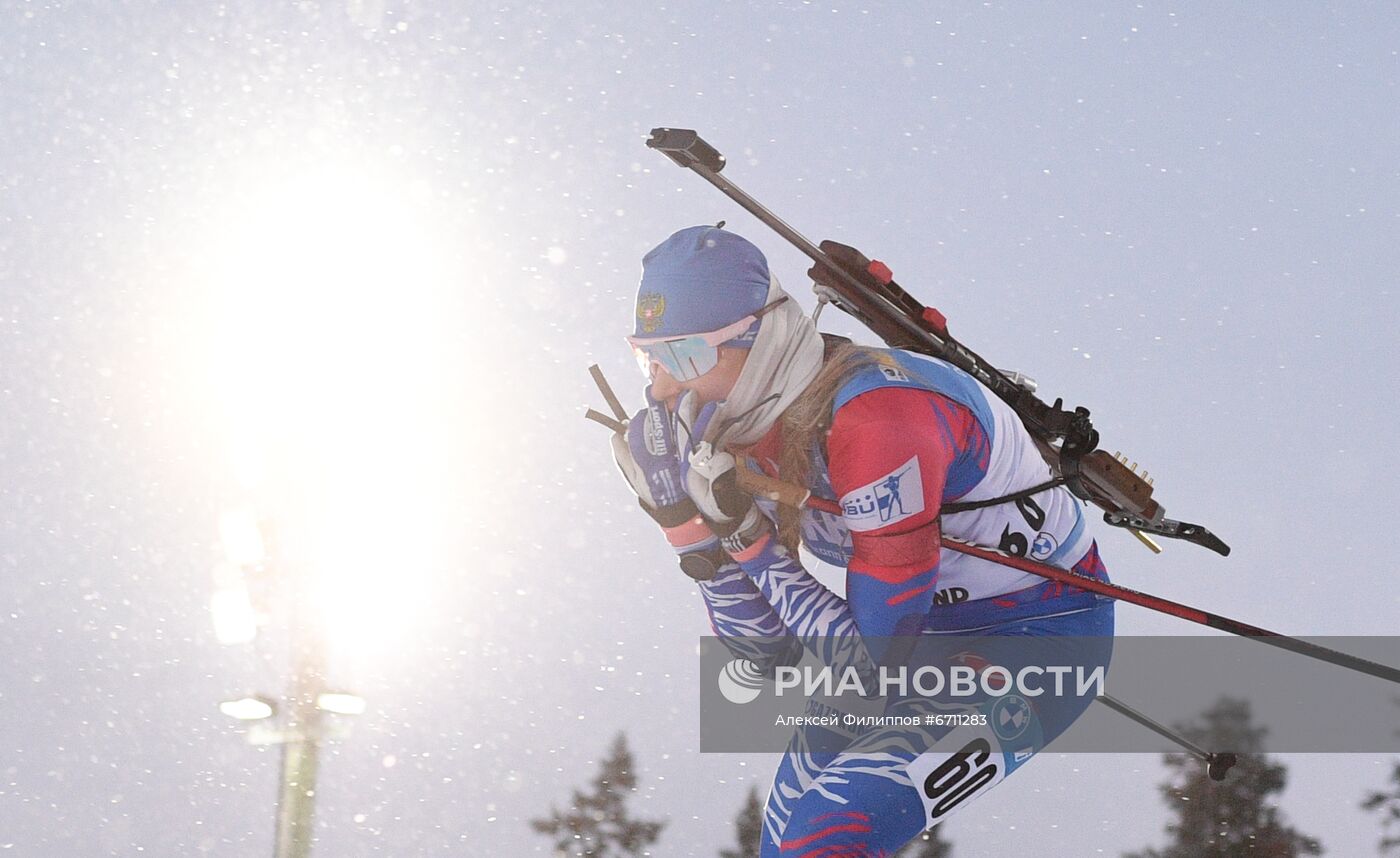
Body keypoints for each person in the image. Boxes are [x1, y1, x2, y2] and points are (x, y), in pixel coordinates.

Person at [610, 225, 1114, 856]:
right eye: (648, 358)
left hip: (1037, 640)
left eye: (685, 356)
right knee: (785, 844)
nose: (660, 388)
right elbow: (764, 655)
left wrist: (743, 540)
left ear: (759, 339)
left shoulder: (879, 417)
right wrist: (683, 524)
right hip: (917, 642)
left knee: (827, 834)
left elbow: (874, 659)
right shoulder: (745, 426)